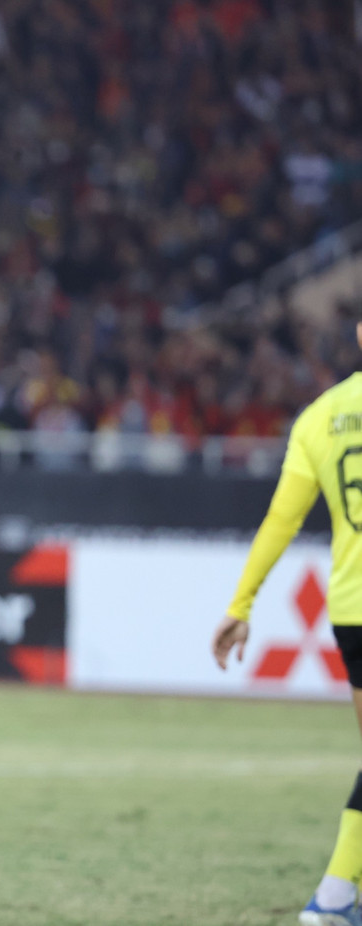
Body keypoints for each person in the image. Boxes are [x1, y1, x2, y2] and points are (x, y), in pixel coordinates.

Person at [213, 320, 362, 926]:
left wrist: (242, 604)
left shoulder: (320, 417)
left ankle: (335, 898)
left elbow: (282, 520)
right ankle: (331, 897)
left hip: (352, 609)